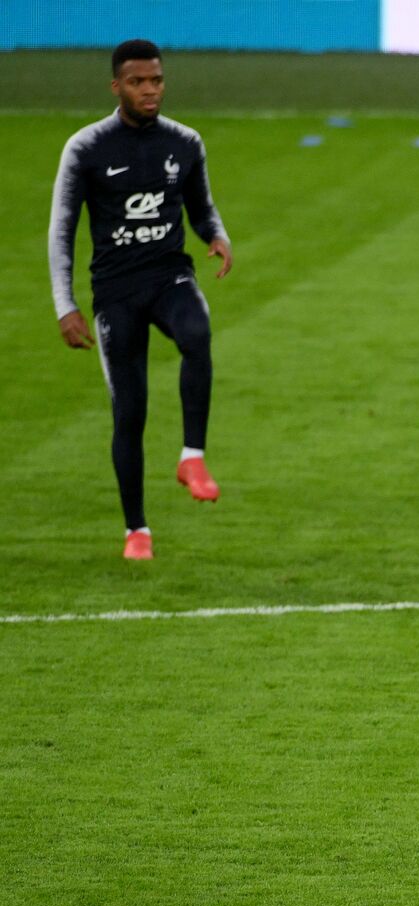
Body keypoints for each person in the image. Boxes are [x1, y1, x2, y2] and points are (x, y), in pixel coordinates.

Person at [48, 39, 233, 560]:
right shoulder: (85, 149)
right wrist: (66, 305)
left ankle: (191, 456)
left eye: (156, 80)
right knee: (130, 411)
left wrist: (215, 236)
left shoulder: (184, 142)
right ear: (117, 87)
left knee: (198, 333)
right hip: (115, 292)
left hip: (167, 274)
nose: (149, 90)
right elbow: (61, 232)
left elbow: (201, 208)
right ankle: (137, 530)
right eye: (137, 82)